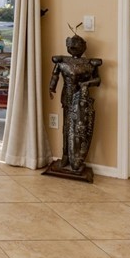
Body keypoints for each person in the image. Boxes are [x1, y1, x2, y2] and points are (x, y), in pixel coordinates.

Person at [48, 33, 102, 174]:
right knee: (66, 126)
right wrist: (51, 88)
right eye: (70, 45)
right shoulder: (62, 62)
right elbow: (55, 76)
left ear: (83, 46)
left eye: (76, 45)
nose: (72, 47)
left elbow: (98, 80)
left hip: (82, 98)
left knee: (80, 127)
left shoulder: (90, 64)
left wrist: (87, 84)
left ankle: (76, 157)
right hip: (67, 95)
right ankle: (65, 155)